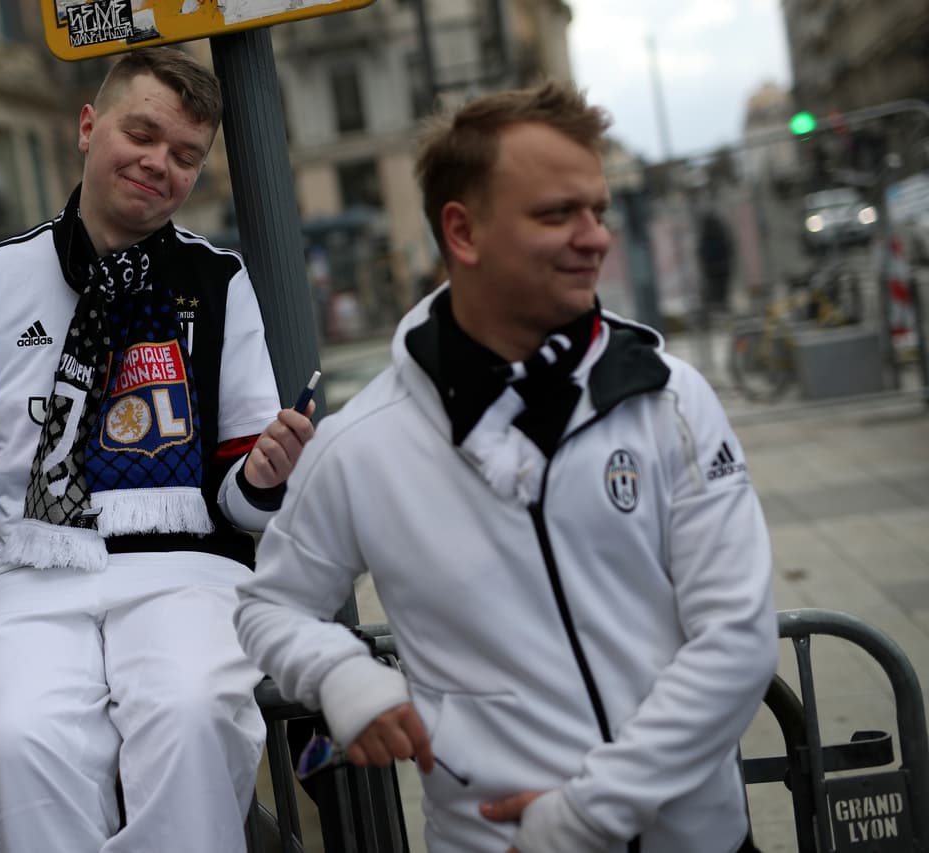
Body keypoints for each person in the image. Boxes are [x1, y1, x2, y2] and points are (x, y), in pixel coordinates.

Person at [235, 81, 778, 853]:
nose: (594, 237)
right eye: (558, 214)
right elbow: (268, 605)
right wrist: (341, 676)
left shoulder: (669, 398)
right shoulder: (365, 440)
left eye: (598, 209)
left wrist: (589, 811)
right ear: (463, 231)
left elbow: (738, 639)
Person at [0, 47, 315, 852]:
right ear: (89, 126)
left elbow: (239, 491)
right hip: (35, 573)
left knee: (193, 710)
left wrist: (266, 472)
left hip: (189, 572)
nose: (158, 163)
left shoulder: (217, 281)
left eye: (185, 155)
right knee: (25, 735)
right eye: (143, 134)